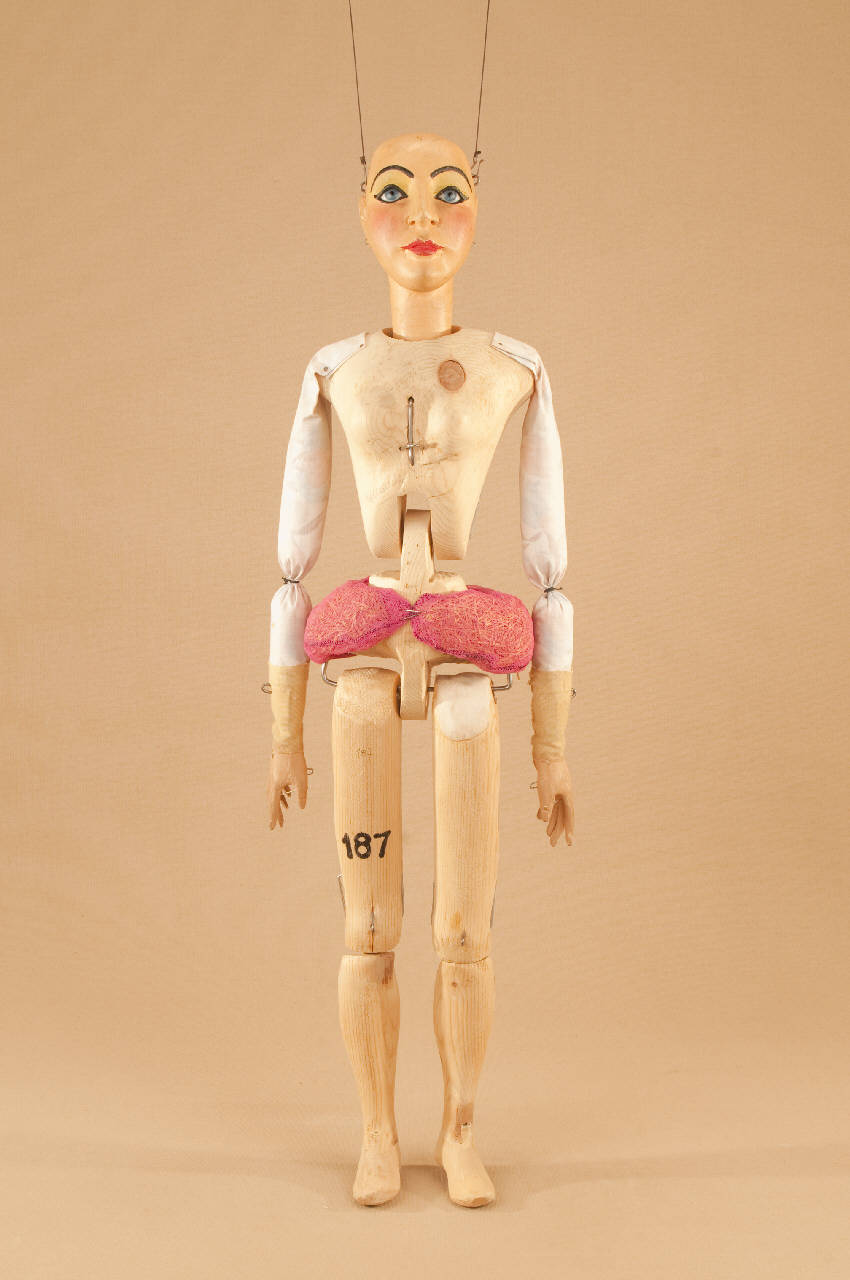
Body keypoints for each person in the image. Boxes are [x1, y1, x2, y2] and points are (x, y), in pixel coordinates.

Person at [266, 132, 575, 1207]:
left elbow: (550, 566)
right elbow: (291, 561)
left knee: (463, 929)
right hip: (362, 650)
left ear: (478, 211)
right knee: (366, 925)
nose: (422, 214)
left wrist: (550, 748)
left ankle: (456, 1129)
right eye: (393, 190)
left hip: (463, 648)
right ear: (362, 214)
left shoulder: (513, 367)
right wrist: (283, 734)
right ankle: (373, 1130)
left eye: (450, 190)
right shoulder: (334, 371)